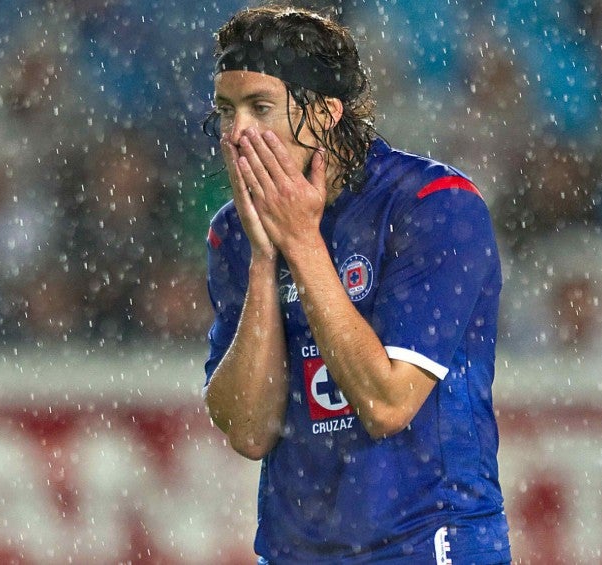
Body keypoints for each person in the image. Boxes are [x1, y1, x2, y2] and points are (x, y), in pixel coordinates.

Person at [200, 6, 511, 563]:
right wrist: (264, 260)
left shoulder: (435, 206)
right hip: (296, 551)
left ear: (324, 113)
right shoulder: (233, 233)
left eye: (260, 107)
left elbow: (387, 403)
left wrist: (301, 243)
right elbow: (249, 432)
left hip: (427, 541)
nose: (238, 133)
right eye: (227, 111)